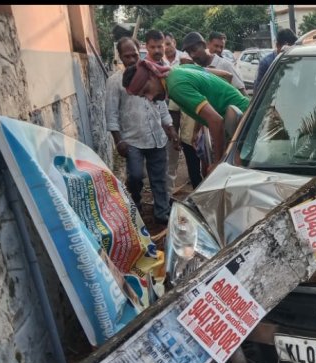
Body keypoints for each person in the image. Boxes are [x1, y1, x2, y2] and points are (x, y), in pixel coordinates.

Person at [122, 60, 250, 173]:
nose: (149, 98)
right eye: (143, 96)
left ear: (152, 75)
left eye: (146, 90)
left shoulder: (176, 87)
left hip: (244, 125)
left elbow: (216, 120)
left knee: (236, 176)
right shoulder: (178, 70)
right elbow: (224, 75)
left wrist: (218, 162)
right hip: (243, 118)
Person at [106, 37, 178, 226]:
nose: (131, 59)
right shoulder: (115, 81)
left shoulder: (152, 73)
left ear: (140, 53)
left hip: (156, 137)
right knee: (136, 176)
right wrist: (118, 140)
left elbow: (161, 105)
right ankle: (136, 204)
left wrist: (170, 129)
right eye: (126, 56)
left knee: (159, 178)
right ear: (120, 57)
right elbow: (111, 112)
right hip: (132, 139)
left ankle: (161, 213)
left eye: (134, 55)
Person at [163, 32, 200, 191]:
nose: (165, 48)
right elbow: (175, 109)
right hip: (181, 127)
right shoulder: (156, 63)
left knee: (207, 164)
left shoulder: (186, 64)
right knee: (185, 164)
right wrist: (175, 132)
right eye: (161, 45)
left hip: (201, 131)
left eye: (168, 44)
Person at [182, 31, 247, 96]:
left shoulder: (225, 65)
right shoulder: (194, 68)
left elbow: (243, 94)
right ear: (208, 44)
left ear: (204, 45)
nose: (192, 55)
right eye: (189, 52)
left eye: (194, 50)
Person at [253, 28, 297, 94]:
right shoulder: (266, 63)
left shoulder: (297, 59)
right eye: (286, 48)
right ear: (277, 45)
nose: (289, 52)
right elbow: (258, 90)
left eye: (291, 48)